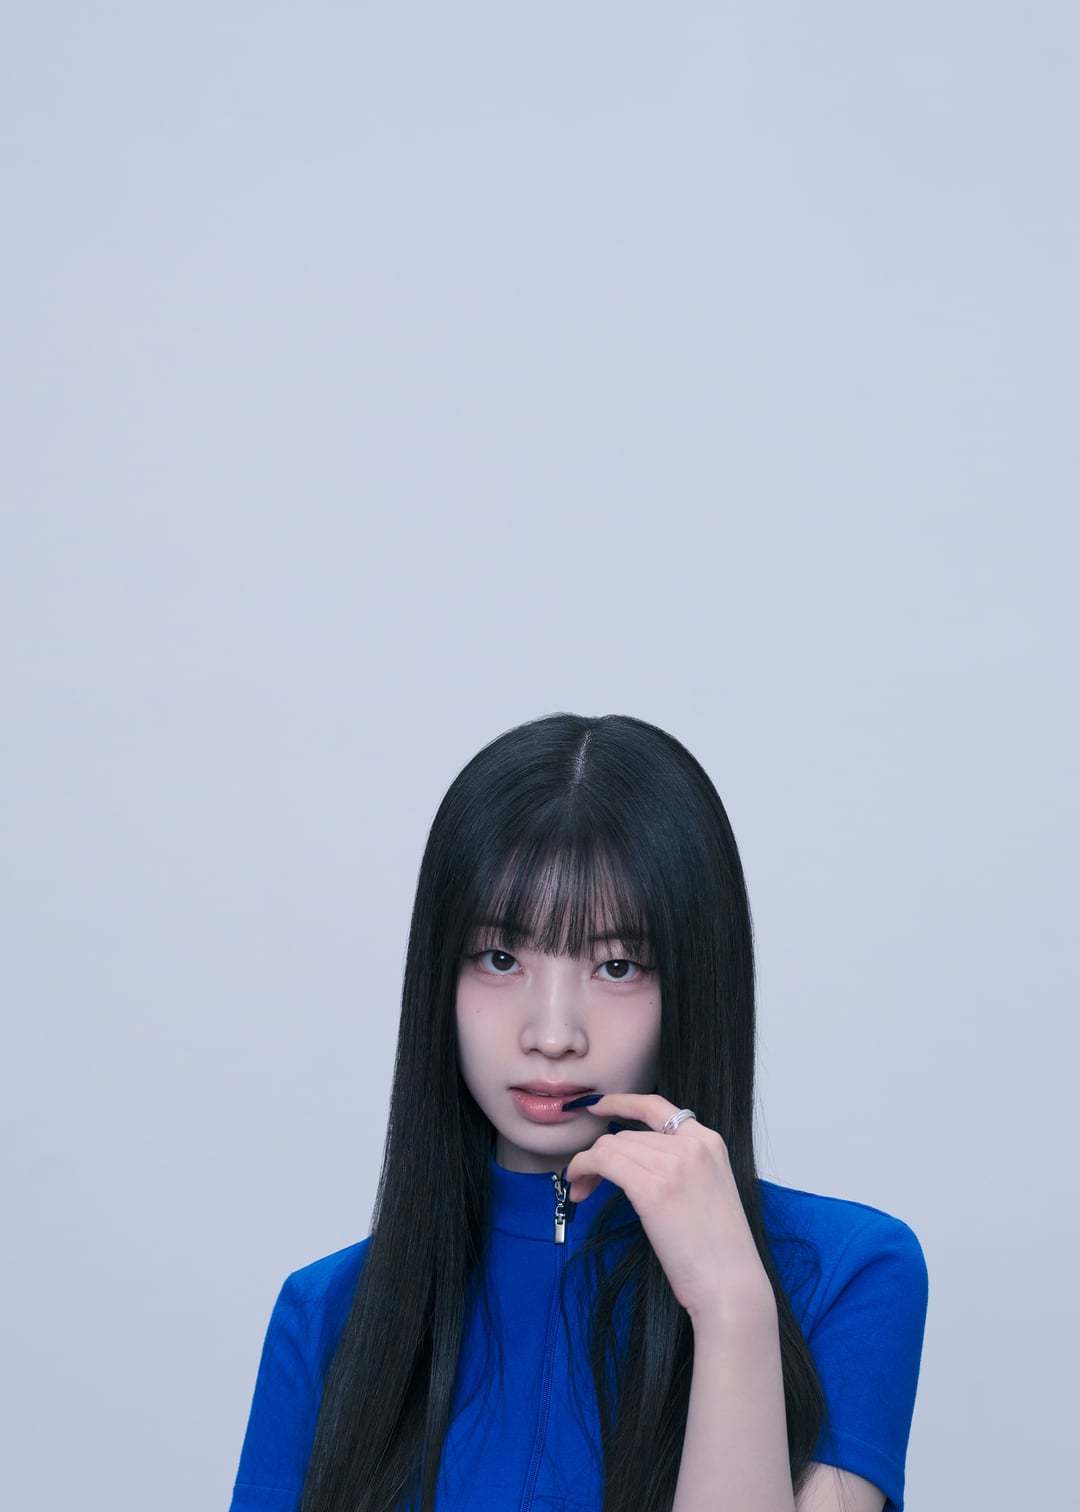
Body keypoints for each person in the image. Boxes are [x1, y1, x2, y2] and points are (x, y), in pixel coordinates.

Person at [229, 713, 927, 1512]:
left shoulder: (846, 1273)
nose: (552, 1034)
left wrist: (732, 1304)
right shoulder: (327, 1315)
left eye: (617, 965)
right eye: (500, 958)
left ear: (694, 985)